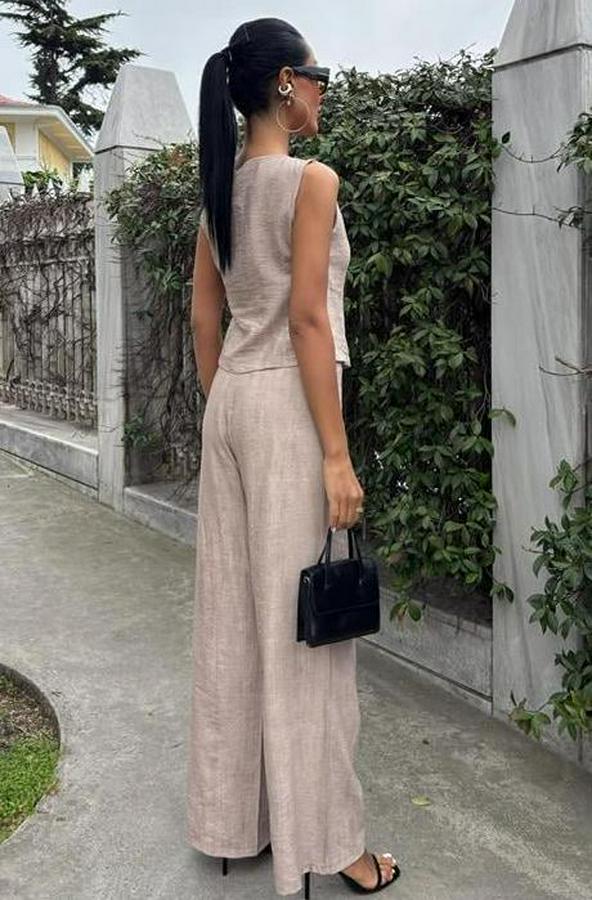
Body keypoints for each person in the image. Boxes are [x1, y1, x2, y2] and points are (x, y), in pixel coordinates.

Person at [186, 16, 400, 898]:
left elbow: (205, 319)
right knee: (311, 631)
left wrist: (228, 405)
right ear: (284, 83)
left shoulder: (220, 187)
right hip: (287, 410)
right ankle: (331, 843)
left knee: (236, 621)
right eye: (317, 76)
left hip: (233, 405)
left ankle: (234, 823)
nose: (321, 91)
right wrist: (335, 457)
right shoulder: (311, 181)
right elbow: (310, 319)